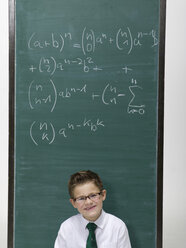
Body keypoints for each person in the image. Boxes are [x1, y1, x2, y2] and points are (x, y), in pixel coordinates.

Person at [54, 170, 132, 248]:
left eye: (93, 195)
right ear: (73, 203)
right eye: (81, 198)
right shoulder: (66, 228)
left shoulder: (117, 227)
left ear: (103, 195)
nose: (88, 202)